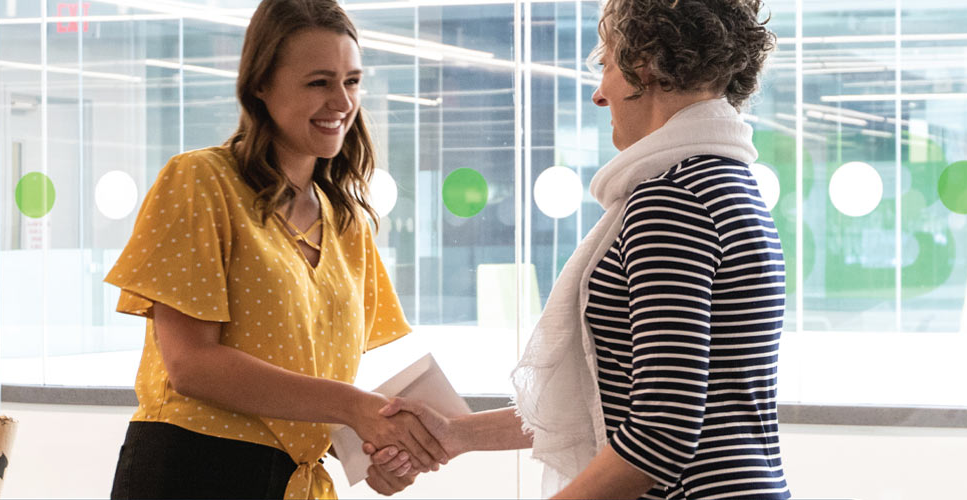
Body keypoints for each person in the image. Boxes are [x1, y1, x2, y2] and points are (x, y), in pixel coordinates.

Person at [367, 0, 787, 498]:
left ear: (645, 64)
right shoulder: (721, 182)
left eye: (606, 64)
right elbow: (607, 401)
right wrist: (456, 434)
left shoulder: (674, 201)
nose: (598, 93)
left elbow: (660, 434)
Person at [103, 1, 445, 498]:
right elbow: (191, 365)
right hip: (191, 471)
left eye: (351, 81)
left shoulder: (346, 223)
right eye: (318, 82)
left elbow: (305, 387)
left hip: (293, 481)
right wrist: (353, 407)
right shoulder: (201, 182)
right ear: (260, 85)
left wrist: (371, 452)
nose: (342, 102)